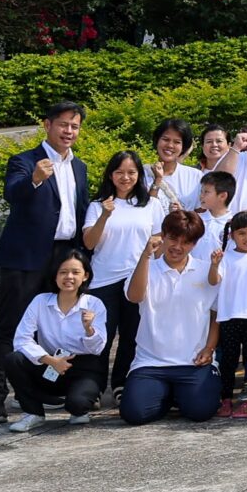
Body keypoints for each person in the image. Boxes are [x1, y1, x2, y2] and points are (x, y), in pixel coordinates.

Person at [0, 99, 91, 423]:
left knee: (52, 328)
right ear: (47, 125)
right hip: (26, 257)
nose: (69, 131)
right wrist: (35, 178)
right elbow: (12, 193)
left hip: (64, 256)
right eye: (63, 124)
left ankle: (38, 391)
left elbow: (81, 211)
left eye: (74, 126)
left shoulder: (79, 166)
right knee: (10, 327)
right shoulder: (25, 161)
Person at [81, 148, 168, 401]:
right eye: (119, 172)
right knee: (101, 335)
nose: (125, 177)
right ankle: (94, 387)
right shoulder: (98, 205)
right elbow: (89, 243)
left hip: (137, 279)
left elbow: (159, 241)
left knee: (132, 335)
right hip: (103, 279)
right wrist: (105, 216)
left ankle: (122, 384)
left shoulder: (151, 204)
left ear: (139, 175)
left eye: (132, 172)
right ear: (110, 175)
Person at [120, 207, 221, 425]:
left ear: (195, 244)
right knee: (134, 414)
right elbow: (134, 297)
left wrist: (210, 348)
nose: (177, 247)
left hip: (193, 362)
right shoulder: (146, 268)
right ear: (163, 236)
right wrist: (145, 256)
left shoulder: (207, 271)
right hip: (150, 363)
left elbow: (215, 315)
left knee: (201, 411)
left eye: (186, 242)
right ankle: (166, 395)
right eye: (173, 239)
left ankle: (177, 395)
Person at [2, 248, 108, 430]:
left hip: (83, 367)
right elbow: (21, 339)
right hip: (50, 363)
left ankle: (78, 405)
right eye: (63, 272)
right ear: (55, 275)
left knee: (78, 406)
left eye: (75, 272)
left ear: (85, 276)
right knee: (14, 359)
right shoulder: (40, 301)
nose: (69, 277)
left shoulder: (94, 304)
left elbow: (97, 349)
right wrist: (51, 360)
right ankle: (33, 413)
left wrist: (89, 329)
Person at [208, 211, 247, 415]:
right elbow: (213, 281)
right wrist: (214, 265)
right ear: (232, 235)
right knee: (229, 360)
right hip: (229, 316)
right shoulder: (225, 258)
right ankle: (226, 398)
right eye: (242, 233)